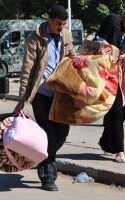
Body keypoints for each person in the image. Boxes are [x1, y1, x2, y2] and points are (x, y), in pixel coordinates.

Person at [13, 5, 75, 191]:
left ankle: (41, 158)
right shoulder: (35, 38)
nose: (61, 28)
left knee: (62, 133)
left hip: (61, 95)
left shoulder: (66, 35)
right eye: (58, 24)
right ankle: (48, 176)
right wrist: (22, 99)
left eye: (64, 24)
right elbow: (27, 68)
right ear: (50, 20)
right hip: (41, 94)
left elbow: (72, 56)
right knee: (48, 133)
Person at [94, 14, 125, 163]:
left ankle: (106, 141)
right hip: (104, 84)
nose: (115, 31)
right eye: (112, 28)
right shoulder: (97, 41)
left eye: (117, 27)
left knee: (121, 114)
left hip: (123, 83)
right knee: (116, 114)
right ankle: (119, 150)